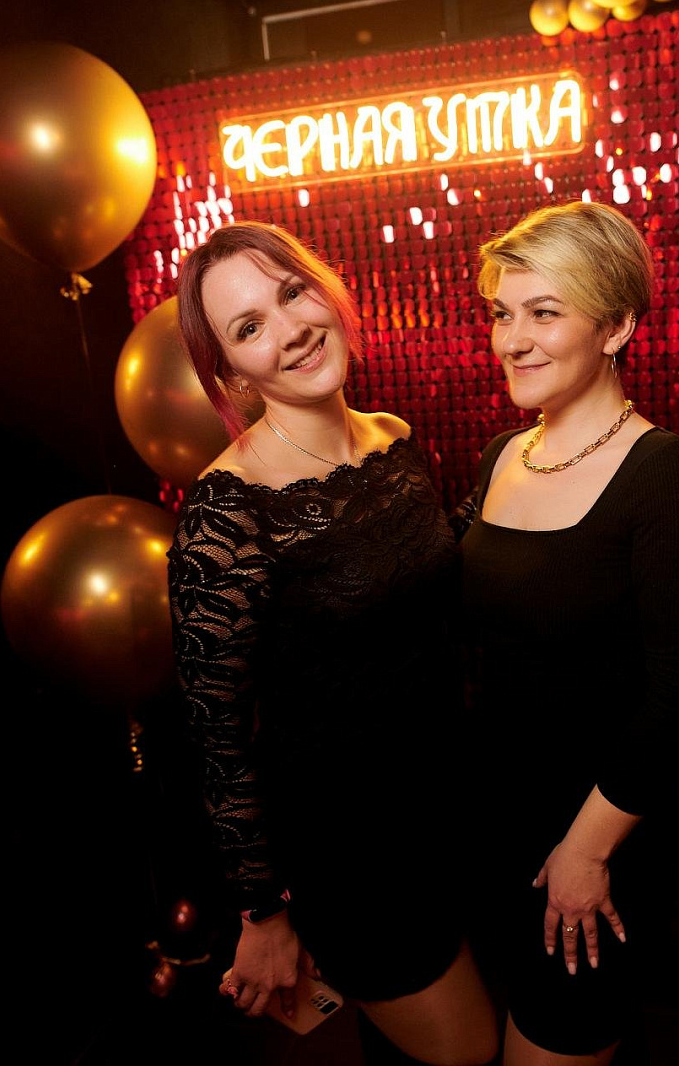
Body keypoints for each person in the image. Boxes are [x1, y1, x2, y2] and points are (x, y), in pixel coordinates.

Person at [169, 221, 496, 1065]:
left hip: (454, 809)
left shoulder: (391, 438)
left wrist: (524, 467)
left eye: (292, 293)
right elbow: (215, 741)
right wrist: (263, 913)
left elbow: (424, 588)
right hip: (354, 855)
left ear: (326, 289)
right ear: (232, 372)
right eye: (250, 327)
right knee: (473, 1054)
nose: (290, 330)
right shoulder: (225, 511)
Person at [458, 201, 679, 1065]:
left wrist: (584, 852)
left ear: (616, 327)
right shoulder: (502, 455)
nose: (513, 340)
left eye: (544, 313)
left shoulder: (665, 475)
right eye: (503, 313)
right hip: (495, 827)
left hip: (593, 840)